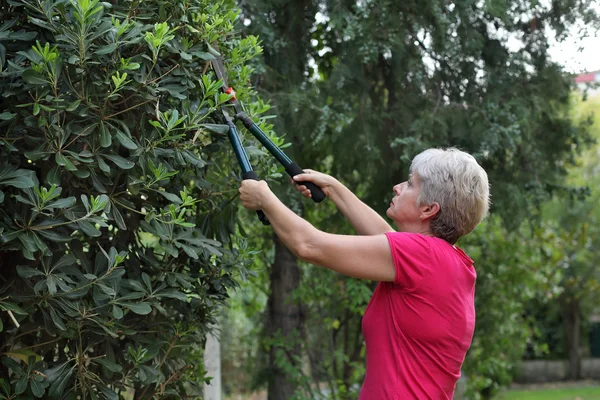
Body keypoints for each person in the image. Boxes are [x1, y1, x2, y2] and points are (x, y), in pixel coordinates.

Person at [238, 147, 490, 399]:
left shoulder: (422, 256)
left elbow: (309, 246)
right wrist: (333, 187)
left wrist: (265, 198)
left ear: (428, 210)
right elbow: (385, 237)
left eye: (410, 184)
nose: (397, 187)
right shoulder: (448, 261)